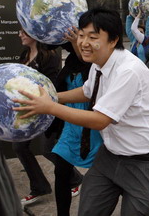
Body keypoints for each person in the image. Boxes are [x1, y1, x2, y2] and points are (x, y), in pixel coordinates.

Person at [13, 7, 149, 216]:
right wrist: (52, 97)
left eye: (92, 37)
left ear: (113, 40)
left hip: (144, 161)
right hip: (111, 155)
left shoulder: (128, 71)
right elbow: (87, 92)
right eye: (81, 35)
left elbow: (99, 120)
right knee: (89, 210)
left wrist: (50, 107)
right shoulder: (98, 62)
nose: (83, 43)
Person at [12, 29, 68, 205]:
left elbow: (52, 86)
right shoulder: (25, 54)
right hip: (29, 108)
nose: (20, 35)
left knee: (48, 150)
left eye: (24, 32)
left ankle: (74, 179)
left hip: (46, 109)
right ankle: (39, 187)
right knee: (19, 147)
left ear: (34, 34)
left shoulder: (49, 57)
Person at [51, 28, 103, 216]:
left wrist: (76, 43)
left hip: (94, 125)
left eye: (84, 38)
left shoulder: (96, 66)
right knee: (61, 172)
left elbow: (87, 63)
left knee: (101, 177)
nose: (81, 42)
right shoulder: (70, 65)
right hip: (71, 126)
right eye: (79, 38)